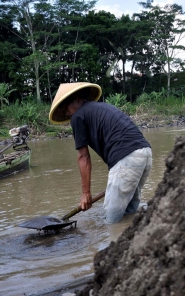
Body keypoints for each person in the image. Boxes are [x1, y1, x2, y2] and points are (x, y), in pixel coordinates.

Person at [49, 82, 152, 224]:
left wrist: (86, 193)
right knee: (129, 213)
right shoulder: (101, 107)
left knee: (111, 220)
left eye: (65, 107)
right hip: (145, 154)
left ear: (77, 98)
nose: (67, 113)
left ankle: (113, 242)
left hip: (127, 158)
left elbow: (83, 157)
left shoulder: (78, 116)